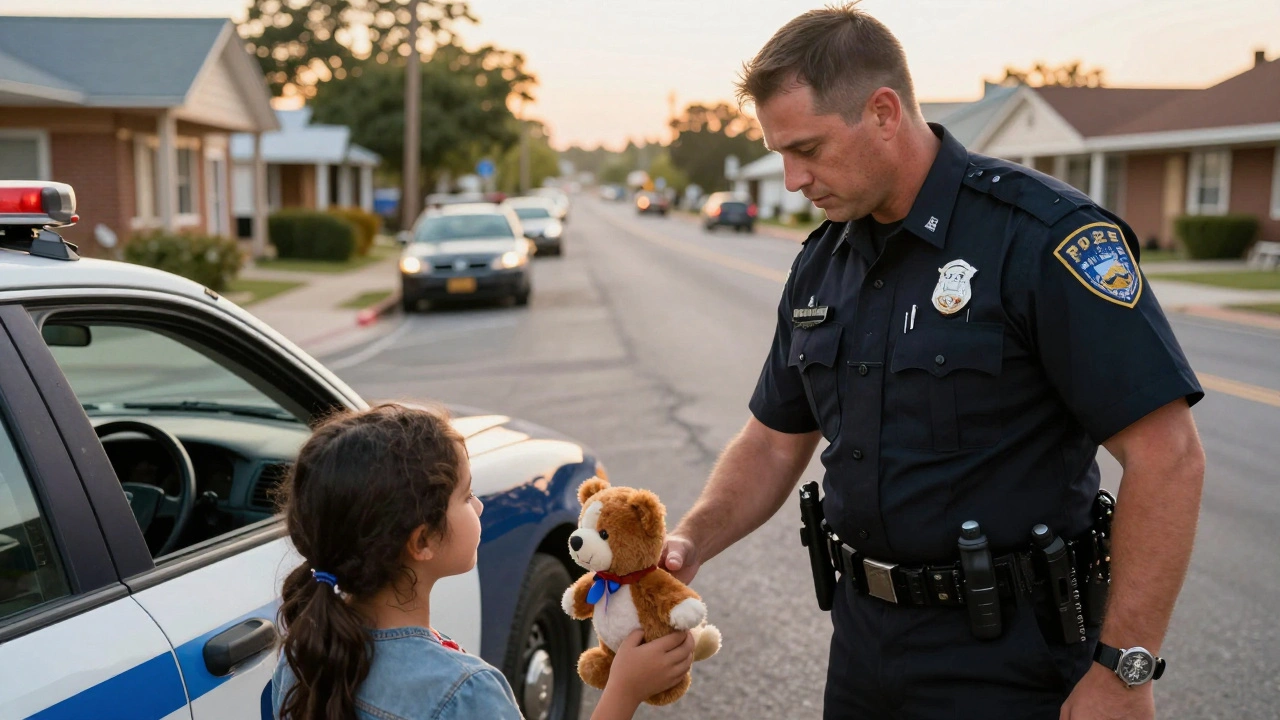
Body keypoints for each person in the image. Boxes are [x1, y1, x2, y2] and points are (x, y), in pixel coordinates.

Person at [661, 5, 1206, 719]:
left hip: (1013, 658)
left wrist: (1124, 671)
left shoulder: (1039, 239)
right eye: (781, 154)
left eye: (809, 149)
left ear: (884, 112)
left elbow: (1167, 456)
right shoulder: (822, 264)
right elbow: (770, 441)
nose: (792, 179)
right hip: (863, 647)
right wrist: (691, 540)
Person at [272, 403, 695, 720]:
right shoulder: (464, 692)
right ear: (422, 541)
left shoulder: (301, 656)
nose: (477, 506)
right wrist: (624, 689)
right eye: (465, 495)